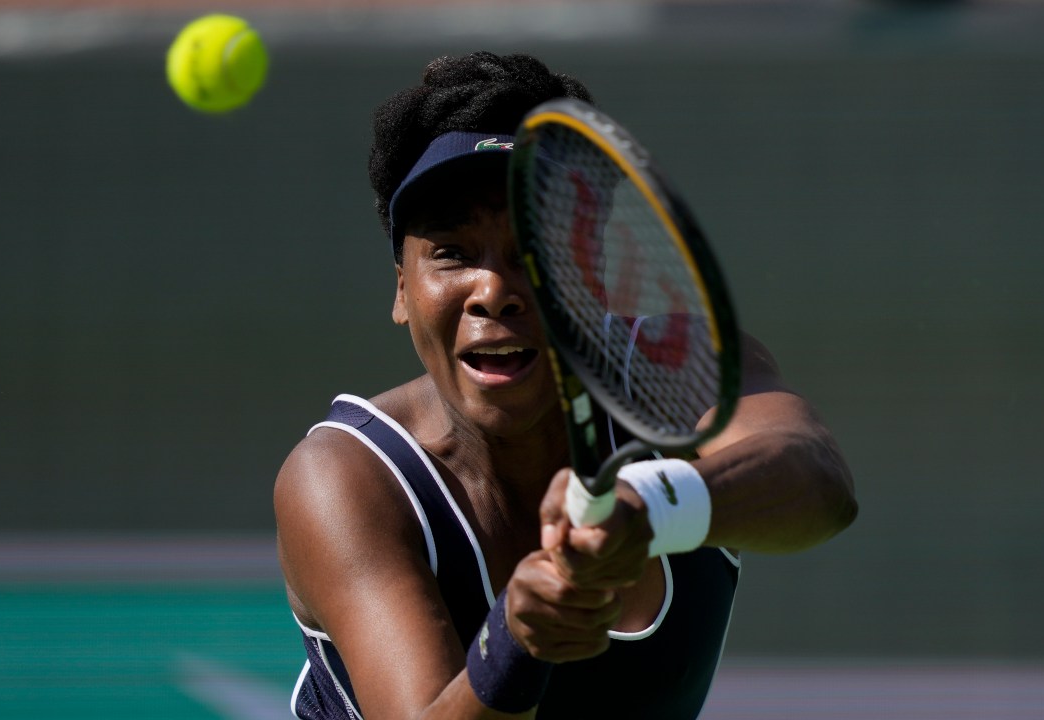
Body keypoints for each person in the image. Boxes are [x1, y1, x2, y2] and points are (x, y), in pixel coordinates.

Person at [274, 50, 857, 720]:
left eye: (534, 253)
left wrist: (647, 509)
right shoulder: (345, 477)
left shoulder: (673, 373)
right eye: (453, 254)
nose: (493, 291)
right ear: (403, 289)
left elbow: (818, 480)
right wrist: (515, 647)